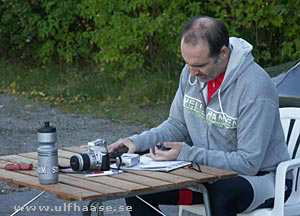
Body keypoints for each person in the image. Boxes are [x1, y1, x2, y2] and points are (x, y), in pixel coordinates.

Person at [108, 15, 292, 216]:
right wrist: (136, 142)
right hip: (204, 174)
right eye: (187, 63)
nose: (192, 73)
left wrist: (188, 154)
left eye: (199, 66)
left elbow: (248, 163)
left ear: (223, 53)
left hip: (263, 178)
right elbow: (177, 125)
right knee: (138, 189)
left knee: (222, 194)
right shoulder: (191, 71)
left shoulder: (255, 88)